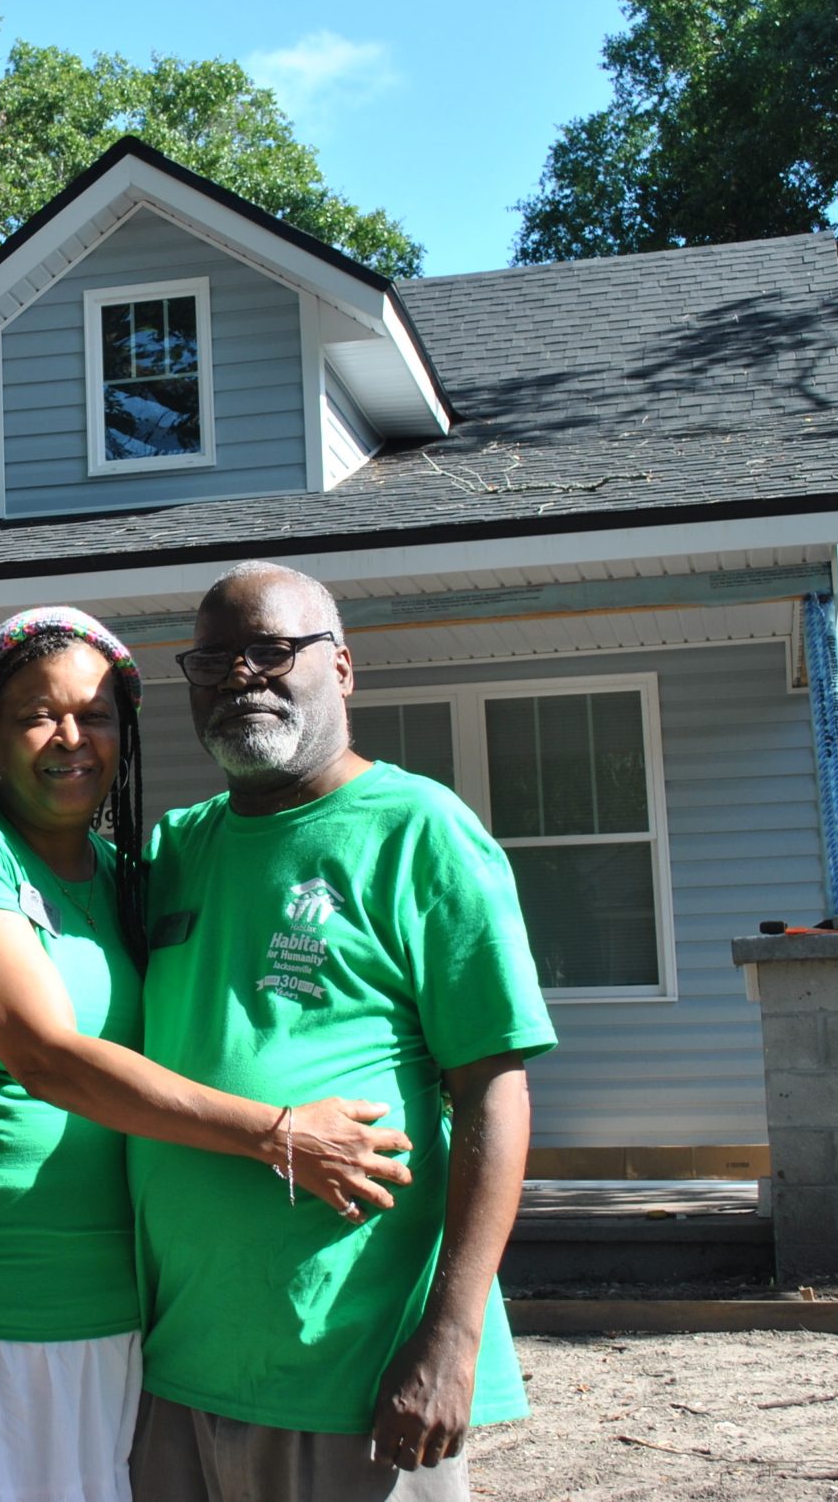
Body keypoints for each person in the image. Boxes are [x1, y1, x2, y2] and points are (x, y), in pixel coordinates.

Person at [0, 606, 416, 1502]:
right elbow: (46, 1057)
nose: (72, 738)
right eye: (37, 714)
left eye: (96, 714)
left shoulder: (123, 874)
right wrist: (279, 1132)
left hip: (114, 1309)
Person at [128, 562, 557, 1502]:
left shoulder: (420, 833)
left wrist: (452, 1335)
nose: (242, 677)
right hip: (182, 1359)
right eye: (213, 662)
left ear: (344, 668)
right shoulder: (172, 851)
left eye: (272, 652)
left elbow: (494, 1092)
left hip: (356, 1375)